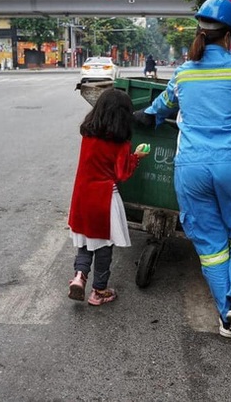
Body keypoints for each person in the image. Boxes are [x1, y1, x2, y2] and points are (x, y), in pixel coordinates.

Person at [134, 0, 231, 338]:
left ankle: (226, 316)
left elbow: (157, 109)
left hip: (191, 168)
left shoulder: (182, 74)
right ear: (230, 35)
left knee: (210, 244)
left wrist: (145, 116)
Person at [68, 88, 150, 306]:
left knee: (85, 243)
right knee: (103, 247)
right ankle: (99, 291)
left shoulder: (88, 135)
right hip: (104, 199)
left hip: (81, 196)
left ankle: (79, 276)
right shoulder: (120, 143)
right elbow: (122, 174)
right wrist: (136, 157)